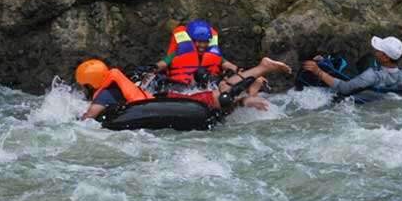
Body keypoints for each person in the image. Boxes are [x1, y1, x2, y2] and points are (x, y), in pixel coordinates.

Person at [77, 57, 292, 121]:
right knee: (221, 104)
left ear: (90, 83)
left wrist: (79, 119)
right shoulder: (112, 85)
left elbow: (91, 117)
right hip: (162, 100)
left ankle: (262, 68)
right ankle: (250, 93)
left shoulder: (105, 93)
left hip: (166, 101)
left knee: (222, 98)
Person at [302, 36, 402, 98]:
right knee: (368, 58)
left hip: (362, 92)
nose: (375, 50)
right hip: (383, 95)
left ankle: (326, 60)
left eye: (378, 50)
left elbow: (344, 89)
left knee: (345, 58)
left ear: (385, 57)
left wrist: (318, 71)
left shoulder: (372, 75)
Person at [153, 20, 240, 85]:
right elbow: (161, 65)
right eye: (199, 41)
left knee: (201, 74)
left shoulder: (214, 56)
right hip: (181, 89)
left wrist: (234, 73)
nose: (202, 45)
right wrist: (147, 71)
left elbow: (232, 67)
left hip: (207, 89)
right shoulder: (178, 54)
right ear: (191, 41)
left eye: (205, 42)